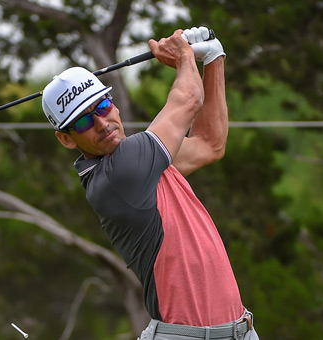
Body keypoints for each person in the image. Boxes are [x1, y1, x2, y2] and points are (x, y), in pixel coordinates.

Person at [41, 27, 260, 340]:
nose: (102, 124)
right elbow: (187, 99)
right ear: (65, 138)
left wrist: (213, 58)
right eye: (83, 122)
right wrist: (185, 55)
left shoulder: (145, 162)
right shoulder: (121, 173)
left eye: (102, 107)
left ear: (113, 104)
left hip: (242, 329)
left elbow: (210, 143)